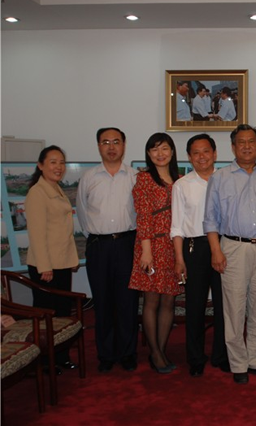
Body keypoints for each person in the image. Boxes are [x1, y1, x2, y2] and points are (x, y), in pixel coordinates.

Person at [204, 124, 256, 385]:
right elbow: (210, 218)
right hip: (233, 248)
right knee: (234, 308)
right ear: (233, 147)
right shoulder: (220, 178)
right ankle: (237, 364)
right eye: (241, 142)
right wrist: (216, 250)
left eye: (251, 142)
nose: (247, 146)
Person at [76, 127, 139, 373]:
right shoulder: (89, 178)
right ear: (99, 146)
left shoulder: (135, 176)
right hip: (99, 245)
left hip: (127, 244)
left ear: (124, 145)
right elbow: (82, 213)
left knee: (127, 301)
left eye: (116, 141)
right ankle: (106, 354)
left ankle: (127, 352)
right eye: (105, 142)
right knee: (102, 301)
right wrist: (97, 236)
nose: (111, 147)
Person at [171, 134, 229, 378]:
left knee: (224, 306)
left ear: (215, 154)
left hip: (224, 247)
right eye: (196, 152)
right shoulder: (182, 185)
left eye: (206, 151)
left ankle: (221, 355)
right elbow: (176, 226)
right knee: (194, 306)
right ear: (189, 157)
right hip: (194, 248)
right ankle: (195, 357)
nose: (201, 156)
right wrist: (179, 259)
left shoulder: (226, 180)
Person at [128, 132, 182, 374]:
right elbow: (143, 217)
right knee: (151, 301)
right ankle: (155, 353)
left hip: (173, 248)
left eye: (164, 148)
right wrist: (146, 252)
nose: (160, 154)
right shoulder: (144, 179)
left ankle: (160, 350)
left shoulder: (179, 180)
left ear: (172, 151)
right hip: (151, 246)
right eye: (154, 149)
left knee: (169, 300)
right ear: (148, 154)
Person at [25, 145, 80, 371]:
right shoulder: (37, 193)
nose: (59, 167)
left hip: (61, 262)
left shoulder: (56, 189)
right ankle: (45, 361)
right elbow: (37, 234)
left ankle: (60, 356)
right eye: (53, 162)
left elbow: (62, 231)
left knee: (63, 313)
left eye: (62, 162)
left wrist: (71, 259)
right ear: (40, 166)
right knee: (47, 315)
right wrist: (44, 267)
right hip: (45, 266)